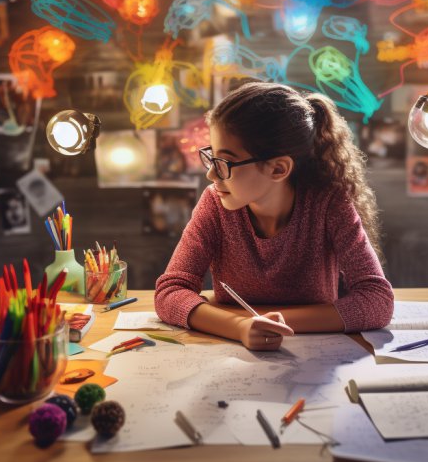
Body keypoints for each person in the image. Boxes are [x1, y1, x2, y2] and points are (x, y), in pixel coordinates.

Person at [155, 81, 393, 352]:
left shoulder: (329, 203)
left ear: (278, 169)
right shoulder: (214, 203)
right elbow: (170, 293)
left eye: (225, 162)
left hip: (315, 354)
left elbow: (377, 301)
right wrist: (239, 327)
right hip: (233, 348)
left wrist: (272, 322)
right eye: (212, 158)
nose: (211, 174)